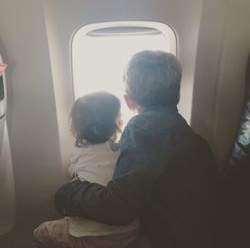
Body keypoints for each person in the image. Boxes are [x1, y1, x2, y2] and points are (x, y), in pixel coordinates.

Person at [55, 51, 220, 248]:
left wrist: (68, 193)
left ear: (129, 100)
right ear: (177, 94)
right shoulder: (191, 137)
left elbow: (118, 208)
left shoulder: (141, 128)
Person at [33, 92, 140, 248]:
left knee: (41, 232)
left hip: (90, 237)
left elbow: (72, 172)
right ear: (116, 123)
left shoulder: (82, 151)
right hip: (130, 231)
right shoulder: (124, 149)